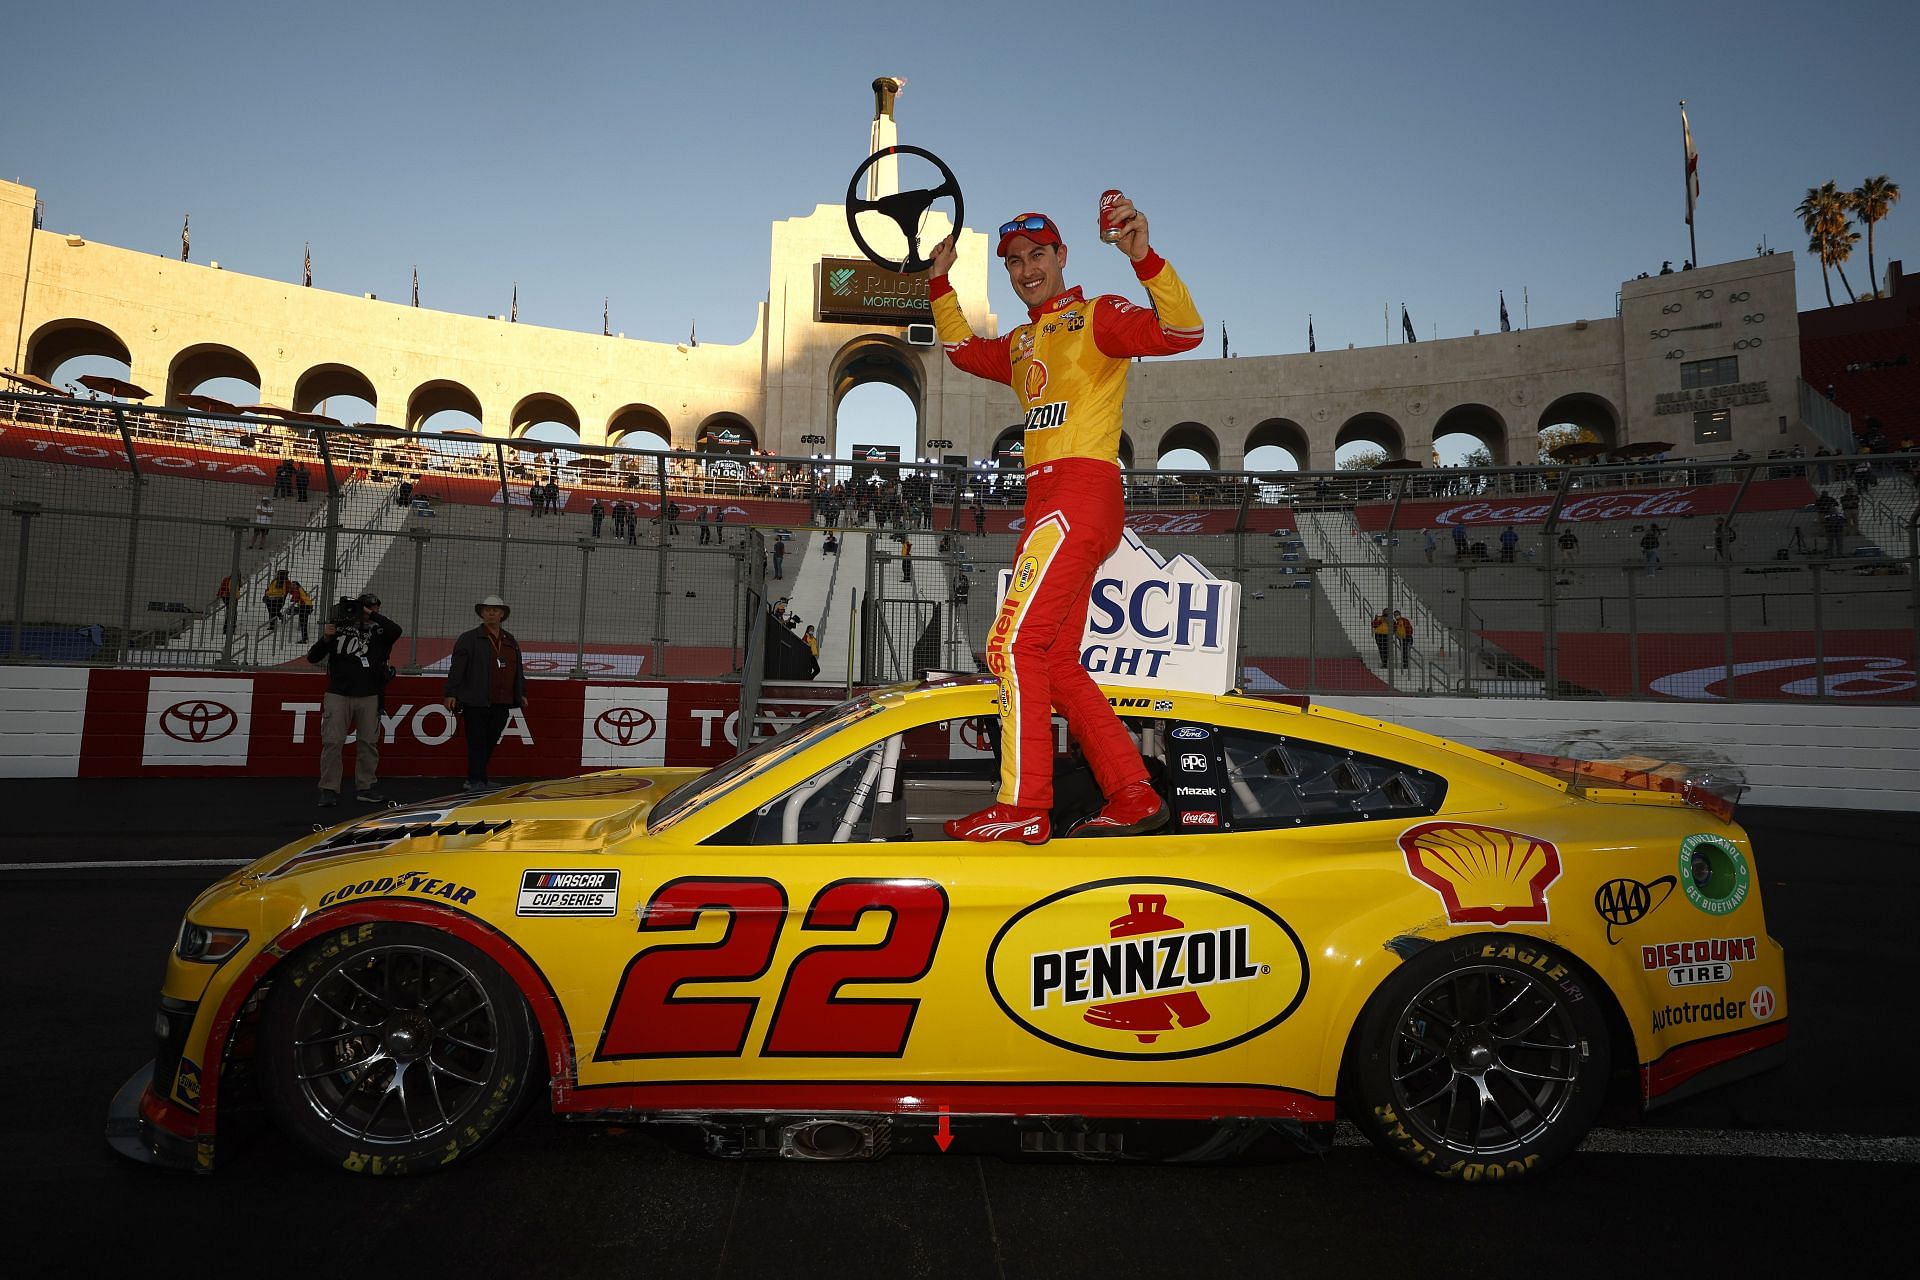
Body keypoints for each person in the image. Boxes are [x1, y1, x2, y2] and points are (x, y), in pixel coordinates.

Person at [928, 198, 1200, 843]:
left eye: (1038, 256)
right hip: (1052, 502)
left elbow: (1183, 333)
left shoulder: (1098, 314)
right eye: (1015, 262)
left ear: (1061, 256)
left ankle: (1024, 806)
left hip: (1079, 493)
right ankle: (1133, 792)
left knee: (1011, 646)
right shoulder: (1023, 341)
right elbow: (965, 351)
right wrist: (940, 282)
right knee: (1056, 660)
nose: (1026, 271)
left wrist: (1143, 257)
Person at [307, 593, 401, 807]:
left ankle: (366, 786)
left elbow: (397, 631)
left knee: (368, 742)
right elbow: (313, 657)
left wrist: (371, 615)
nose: (367, 610)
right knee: (332, 741)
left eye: (373, 606)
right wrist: (326, 639)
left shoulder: (380, 630)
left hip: (370, 694)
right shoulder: (339, 627)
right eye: (364, 606)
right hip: (338, 693)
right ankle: (329, 789)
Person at [444, 594, 527, 791]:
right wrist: (451, 693)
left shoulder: (509, 640)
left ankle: (480, 777)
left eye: (495, 610)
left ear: (502, 615)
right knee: (477, 741)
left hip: (502, 699)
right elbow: (457, 668)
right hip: (476, 700)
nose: (491, 612)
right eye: (487, 609)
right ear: (481, 613)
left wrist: (521, 693)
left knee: (491, 739)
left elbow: (518, 669)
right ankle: (474, 780)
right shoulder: (469, 638)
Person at [288, 575, 314, 642]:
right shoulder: (301, 589)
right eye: (292, 585)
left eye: (293, 585)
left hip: (304, 607)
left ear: (296, 585)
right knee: (303, 623)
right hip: (308, 606)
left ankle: (304, 638)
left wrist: (293, 601)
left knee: (303, 623)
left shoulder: (297, 589)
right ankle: (305, 638)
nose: (292, 586)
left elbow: (296, 596)